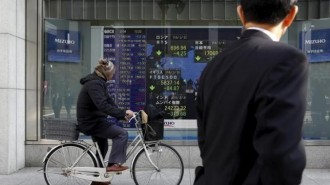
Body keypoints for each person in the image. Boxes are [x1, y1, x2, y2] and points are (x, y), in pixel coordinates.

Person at [194, 0, 308, 185]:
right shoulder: (287, 59)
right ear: (291, 15)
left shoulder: (214, 65)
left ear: (241, 13)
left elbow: (206, 141)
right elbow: (283, 154)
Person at [77, 59, 134, 185]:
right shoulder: (94, 85)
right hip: (91, 122)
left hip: (93, 120)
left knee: (102, 148)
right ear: (107, 73)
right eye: (112, 73)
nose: (113, 76)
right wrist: (122, 113)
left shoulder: (99, 83)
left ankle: (98, 180)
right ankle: (113, 165)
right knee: (121, 134)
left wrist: (122, 114)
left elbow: (109, 102)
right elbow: (102, 105)